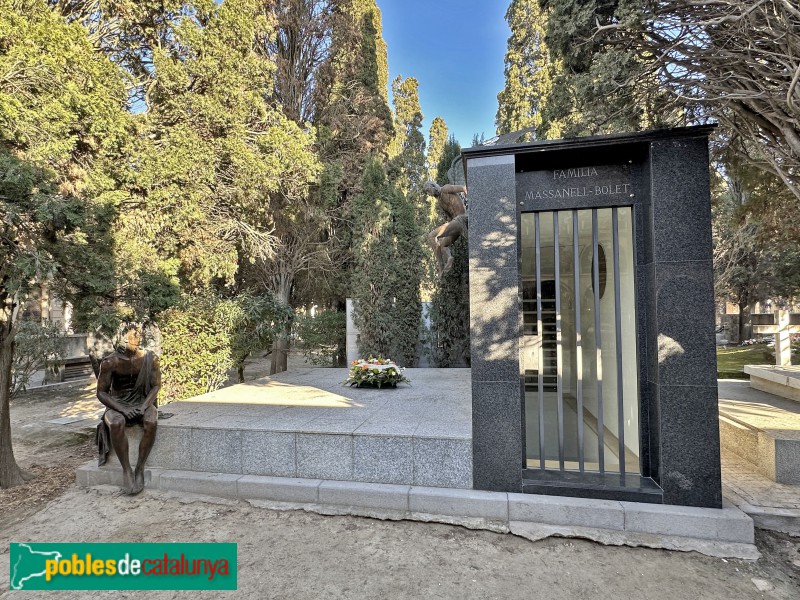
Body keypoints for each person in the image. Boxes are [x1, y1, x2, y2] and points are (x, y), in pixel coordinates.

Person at [95, 324, 160, 495]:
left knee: (151, 421)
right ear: (122, 337)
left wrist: (144, 406)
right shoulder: (110, 362)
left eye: (139, 335)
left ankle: (139, 468)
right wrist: (122, 409)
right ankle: (127, 470)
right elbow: (101, 392)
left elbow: (156, 386)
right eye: (133, 334)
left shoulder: (150, 358)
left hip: (142, 401)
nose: (137, 337)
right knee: (116, 423)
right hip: (117, 403)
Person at [423, 181, 468, 277]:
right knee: (441, 244)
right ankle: (449, 258)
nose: (429, 194)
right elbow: (449, 218)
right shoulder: (440, 202)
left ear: (433, 186)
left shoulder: (445, 189)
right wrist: (446, 226)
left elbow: (463, 188)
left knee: (431, 236)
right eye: (427, 192)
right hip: (455, 224)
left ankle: (441, 265)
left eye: (428, 191)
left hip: (461, 219)